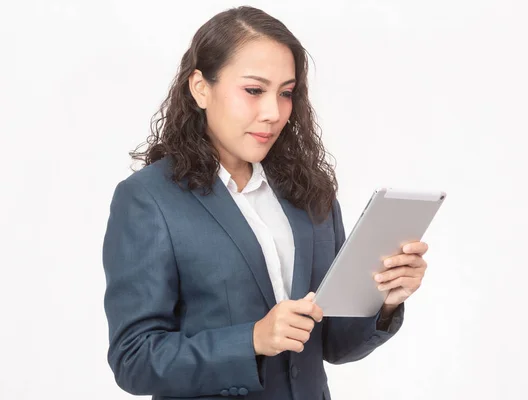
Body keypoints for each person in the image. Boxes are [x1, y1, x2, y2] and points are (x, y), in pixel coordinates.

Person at [102, 6, 429, 400]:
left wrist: (385, 300)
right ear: (200, 88)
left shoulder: (310, 192)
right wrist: (252, 339)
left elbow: (336, 345)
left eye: (286, 93)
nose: (274, 113)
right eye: (254, 90)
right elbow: (133, 361)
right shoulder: (148, 199)